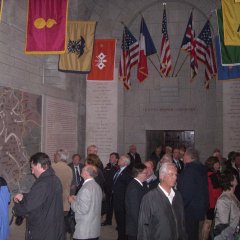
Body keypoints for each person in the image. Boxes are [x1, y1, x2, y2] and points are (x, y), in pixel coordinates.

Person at [13, 152, 64, 240]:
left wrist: (16, 209)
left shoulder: (42, 183)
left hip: (42, 232)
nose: (32, 172)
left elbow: (28, 207)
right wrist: (25, 197)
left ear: (40, 165)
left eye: (32, 168)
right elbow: (43, 199)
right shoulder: (55, 179)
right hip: (54, 229)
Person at [138, 162, 187, 240]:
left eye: (176, 175)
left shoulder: (178, 196)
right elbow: (143, 227)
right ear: (162, 176)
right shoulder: (150, 198)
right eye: (171, 174)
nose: (175, 177)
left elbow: (182, 223)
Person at [177, 147, 209, 240]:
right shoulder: (201, 169)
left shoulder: (189, 171)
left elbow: (186, 193)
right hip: (199, 209)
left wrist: (180, 208)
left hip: (189, 211)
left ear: (188, 156)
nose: (183, 157)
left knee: (189, 235)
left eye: (184, 155)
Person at [68, 165, 102, 240]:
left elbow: (81, 209)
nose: (81, 170)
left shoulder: (86, 188)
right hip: (93, 227)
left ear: (87, 173)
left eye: (83, 169)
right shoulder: (96, 186)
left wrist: (71, 201)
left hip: (85, 230)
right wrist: (77, 198)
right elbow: (92, 200)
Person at [214, 170, 240, 240]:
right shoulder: (223, 200)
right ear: (231, 182)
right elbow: (222, 227)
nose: (236, 177)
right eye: (235, 177)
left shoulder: (232, 195)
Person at [201, 156, 222, 240]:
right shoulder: (213, 175)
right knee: (208, 224)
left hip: (207, 201)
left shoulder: (206, 173)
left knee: (207, 224)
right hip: (212, 203)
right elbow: (216, 192)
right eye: (217, 163)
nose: (219, 165)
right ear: (213, 164)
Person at [125, 163, 148, 240]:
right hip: (135, 227)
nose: (147, 175)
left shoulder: (141, 184)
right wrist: (142, 226)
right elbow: (134, 211)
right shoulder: (134, 188)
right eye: (145, 173)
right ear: (139, 173)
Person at [112, 155, 132, 240]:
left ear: (125, 162)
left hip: (122, 203)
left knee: (122, 223)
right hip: (117, 201)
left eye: (120, 159)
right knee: (119, 222)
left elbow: (128, 189)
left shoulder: (127, 173)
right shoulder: (119, 170)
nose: (118, 160)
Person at [52, 149, 73, 215]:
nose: (54, 156)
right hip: (65, 203)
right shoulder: (69, 169)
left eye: (55, 155)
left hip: (54, 203)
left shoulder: (52, 167)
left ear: (59, 156)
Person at [102, 152, 119, 226]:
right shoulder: (107, 166)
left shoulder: (118, 168)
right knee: (108, 206)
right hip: (107, 190)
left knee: (116, 208)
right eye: (110, 157)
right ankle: (108, 221)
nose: (110, 158)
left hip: (114, 190)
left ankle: (119, 224)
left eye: (112, 157)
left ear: (116, 159)